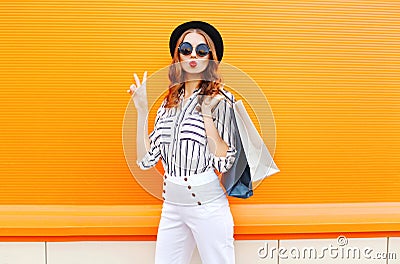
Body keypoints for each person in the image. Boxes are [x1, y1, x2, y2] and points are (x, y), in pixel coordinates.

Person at [128, 21, 237, 264]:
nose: (193, 56)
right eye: (186, 49)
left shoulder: (221, 100)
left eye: (201, 50)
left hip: (206, 205)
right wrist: (142, 111)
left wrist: (207, 115)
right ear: (177, 55)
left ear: (211, 58)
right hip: (172, 206)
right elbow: (146, 161)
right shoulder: (168, 105)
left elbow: (225, 162)